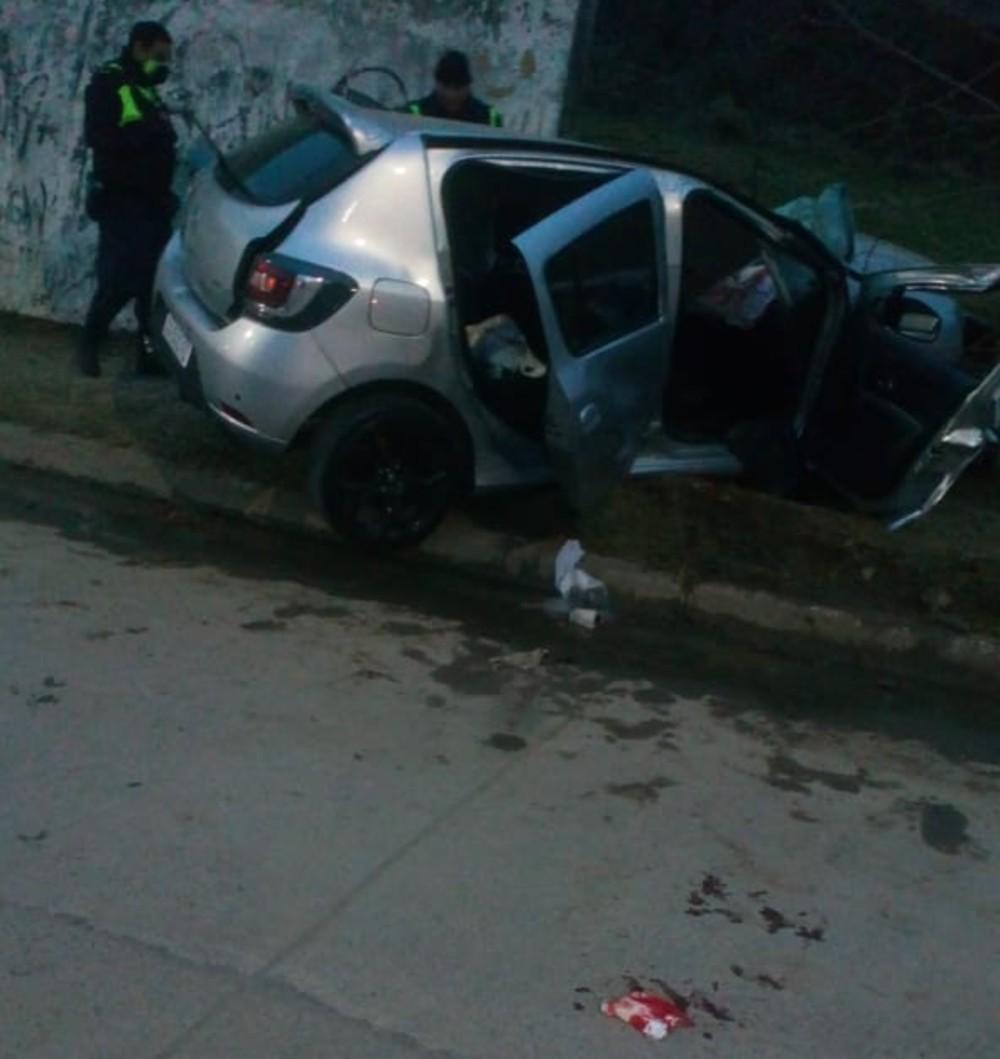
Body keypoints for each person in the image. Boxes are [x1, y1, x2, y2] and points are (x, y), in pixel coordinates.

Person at [77, 20, 178, 378]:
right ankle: (88, 346)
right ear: (138, 47)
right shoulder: (109, 82)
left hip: (152, 202)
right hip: (122, 202)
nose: (163, 65)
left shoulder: (144, 87)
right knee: (118, 282)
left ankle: (147, 355)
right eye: (158, 57)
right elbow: (99, 138)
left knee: (151, 283)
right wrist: (147, 138)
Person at [407, 50, 503, 127]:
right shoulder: (413, 115)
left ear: (468, 86)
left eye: (458, 88)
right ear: (436, 83)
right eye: (446, 86)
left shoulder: (490, 119)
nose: (451, 95)